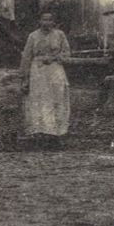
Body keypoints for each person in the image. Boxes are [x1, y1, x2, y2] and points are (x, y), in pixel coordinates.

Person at [20, 11, 72, 144]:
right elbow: (26, 56)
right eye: (44, 19)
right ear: (39, 21)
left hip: (55, 69)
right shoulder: (33, 36)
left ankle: (57, 133)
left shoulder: (59, 35)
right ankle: (40, 133)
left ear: (54, 22)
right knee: (40, 100)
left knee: (57, 98)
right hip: (38, 70)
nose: (47, 23)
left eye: (49, 20)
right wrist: (25, 78)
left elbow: (66, 53)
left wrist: (55, 58)